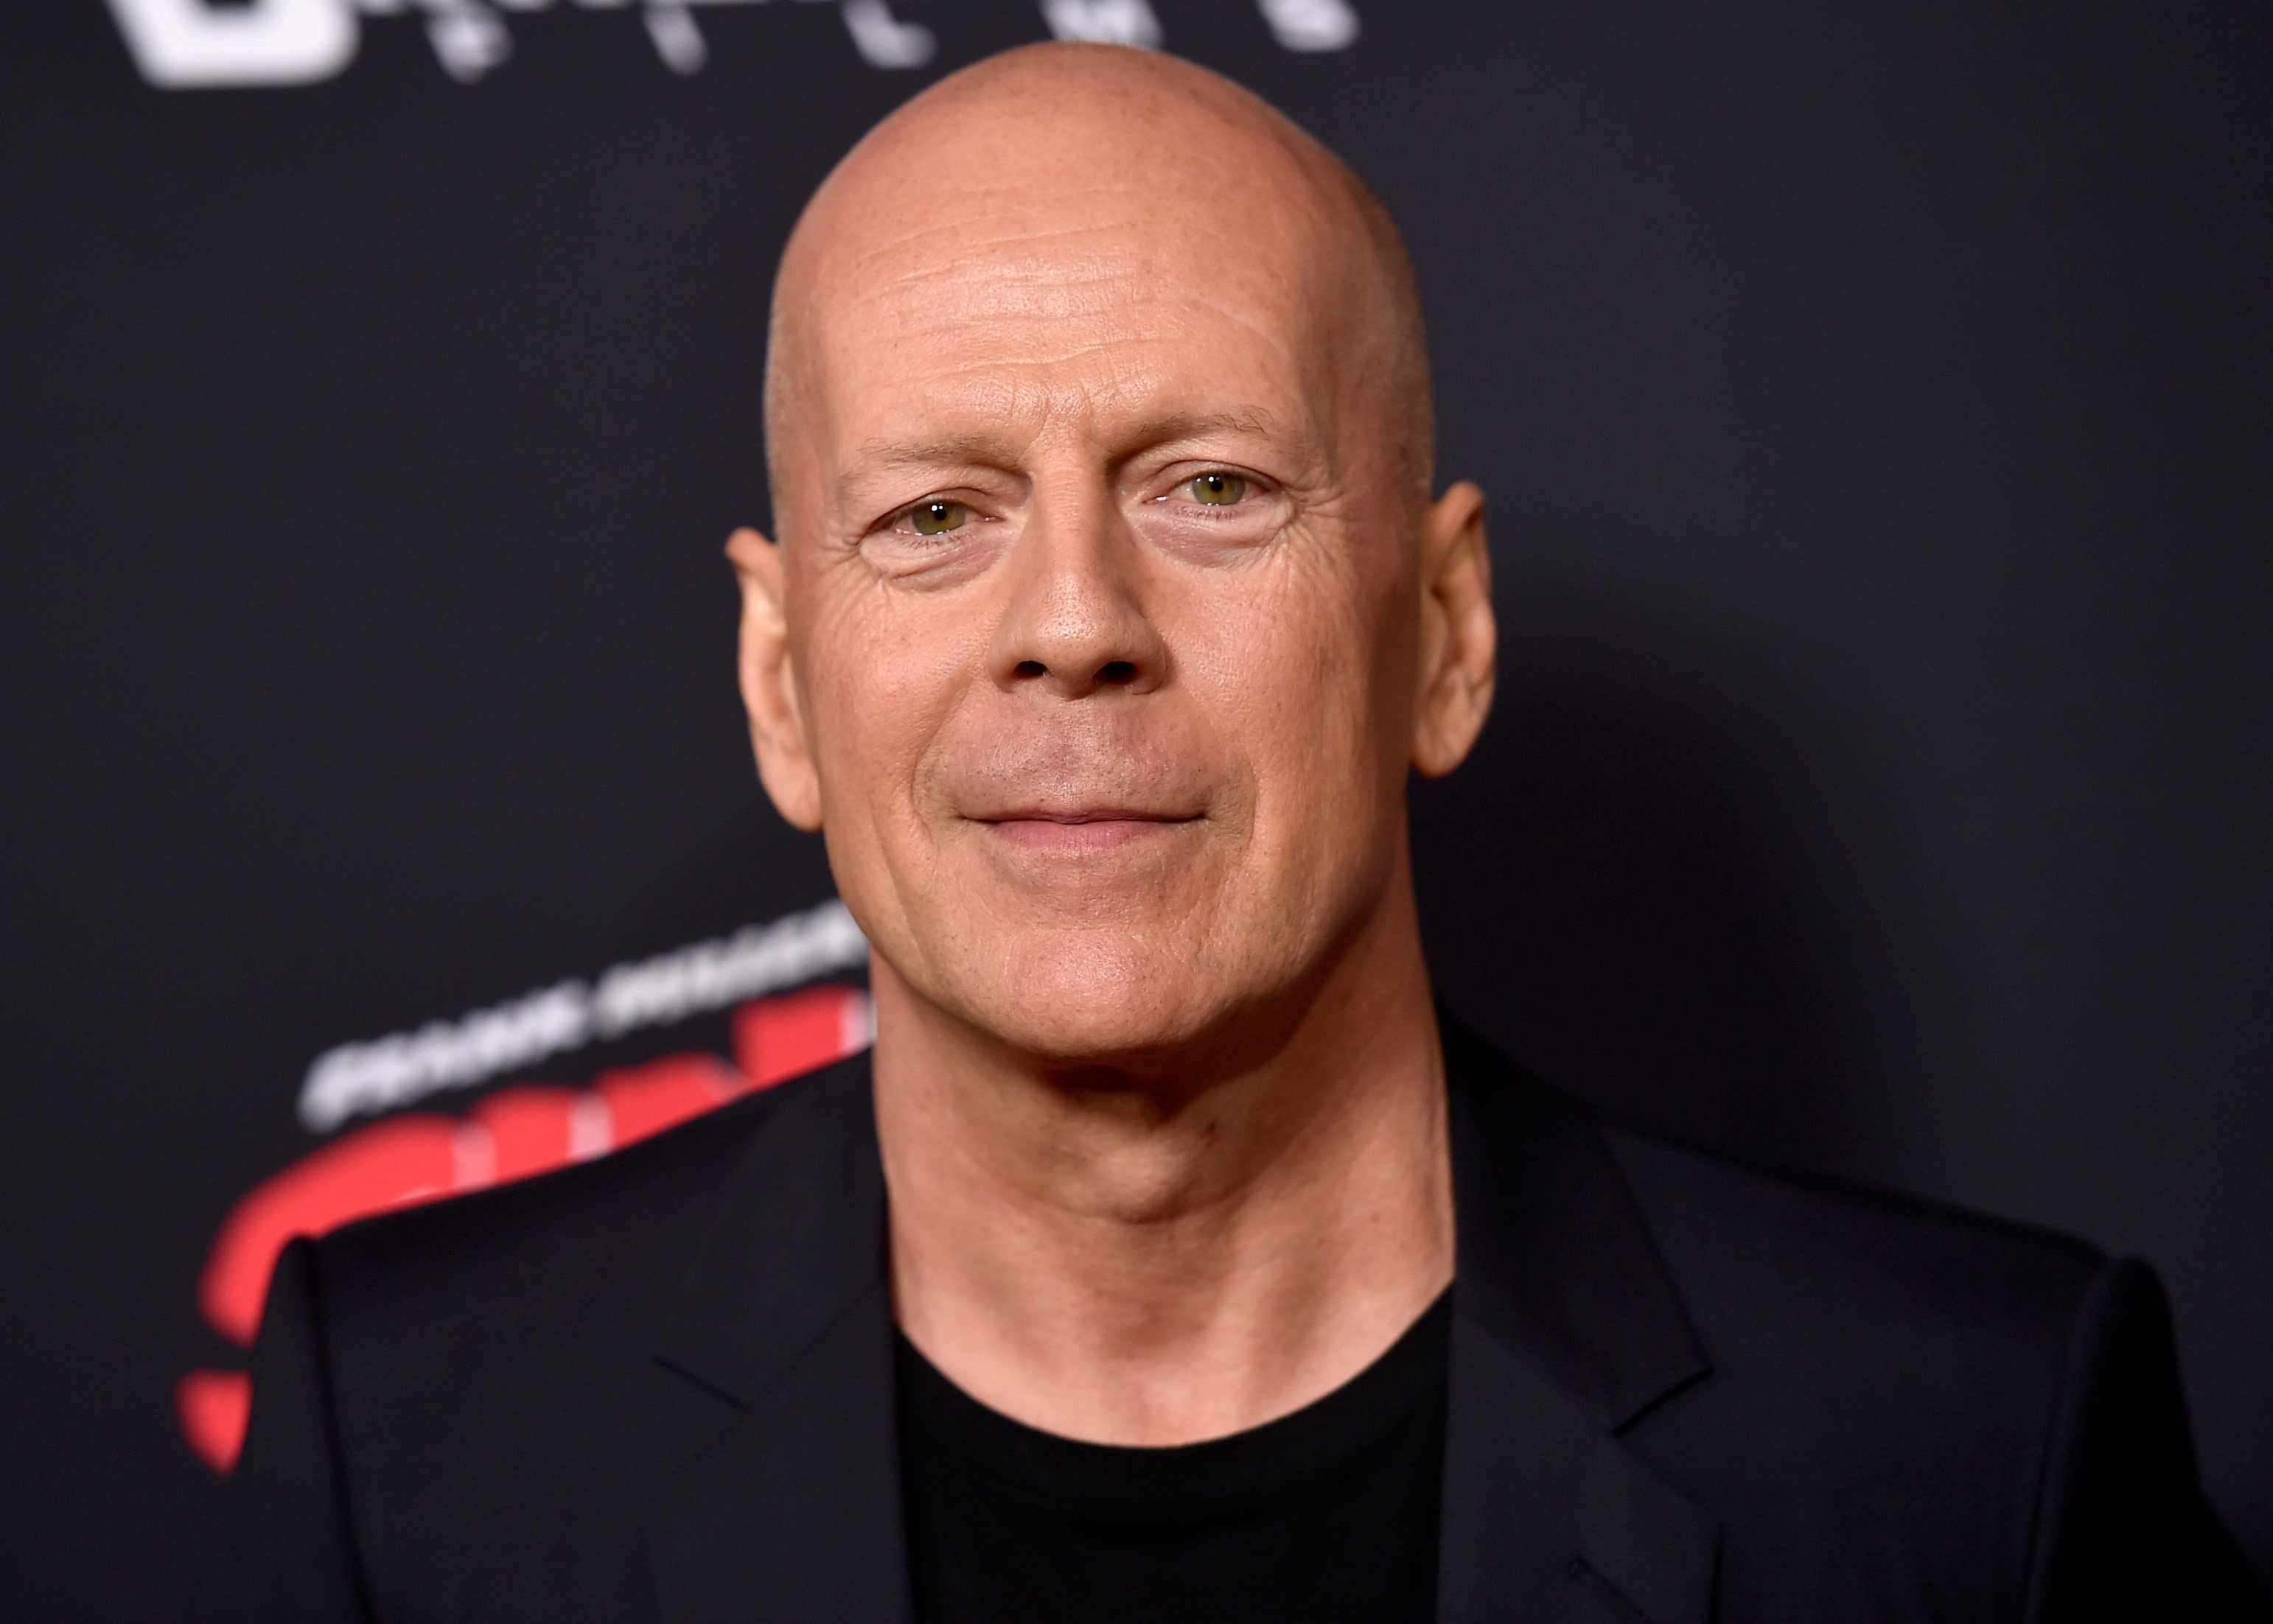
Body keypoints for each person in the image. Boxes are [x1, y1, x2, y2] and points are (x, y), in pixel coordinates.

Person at [198, 42, 2266, 1624]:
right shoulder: (412, 1443)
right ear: (775, 681)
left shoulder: (1975, 1446)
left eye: (1210, 488)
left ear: (1440, 635)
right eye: (936, 516)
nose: (1076, 625)